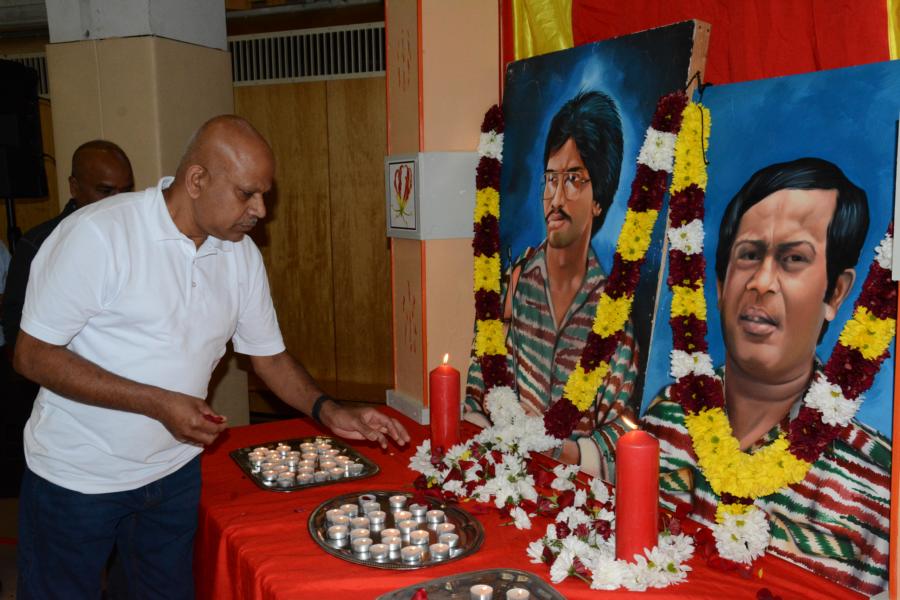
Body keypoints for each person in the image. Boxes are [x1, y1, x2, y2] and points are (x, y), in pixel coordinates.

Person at [13, 115, 410, 599]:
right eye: (247, 194)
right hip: (77, 477)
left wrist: (329, 410)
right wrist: (158, 402)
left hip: (172, 473)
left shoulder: (239, 253)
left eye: (264, 194)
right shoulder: (99, 235)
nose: (260, 210)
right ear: (197, 180)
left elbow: (270, 359)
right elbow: (33, 356)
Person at [642, 157, 890, 595]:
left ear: (835, 293)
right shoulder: (667, 418)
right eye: (749, 255)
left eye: (793, 259)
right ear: (721, 285)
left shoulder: (880, 485)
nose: (761, 282)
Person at [464, 91, 638, 480]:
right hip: (502, 479)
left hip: (577, 496)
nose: (555, 198)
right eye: (551, 179)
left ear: (599, 199)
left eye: (573, 179)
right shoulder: (511, 286)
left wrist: (566, 452)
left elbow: (623, 429)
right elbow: (476, 390)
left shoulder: (614, 314)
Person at [2, 139, 135, 355]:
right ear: (74, 187)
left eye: (127, 191)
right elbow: (18, 334)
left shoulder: (139, 234)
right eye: (105, 191)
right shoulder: (39, 244)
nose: (118, 201)